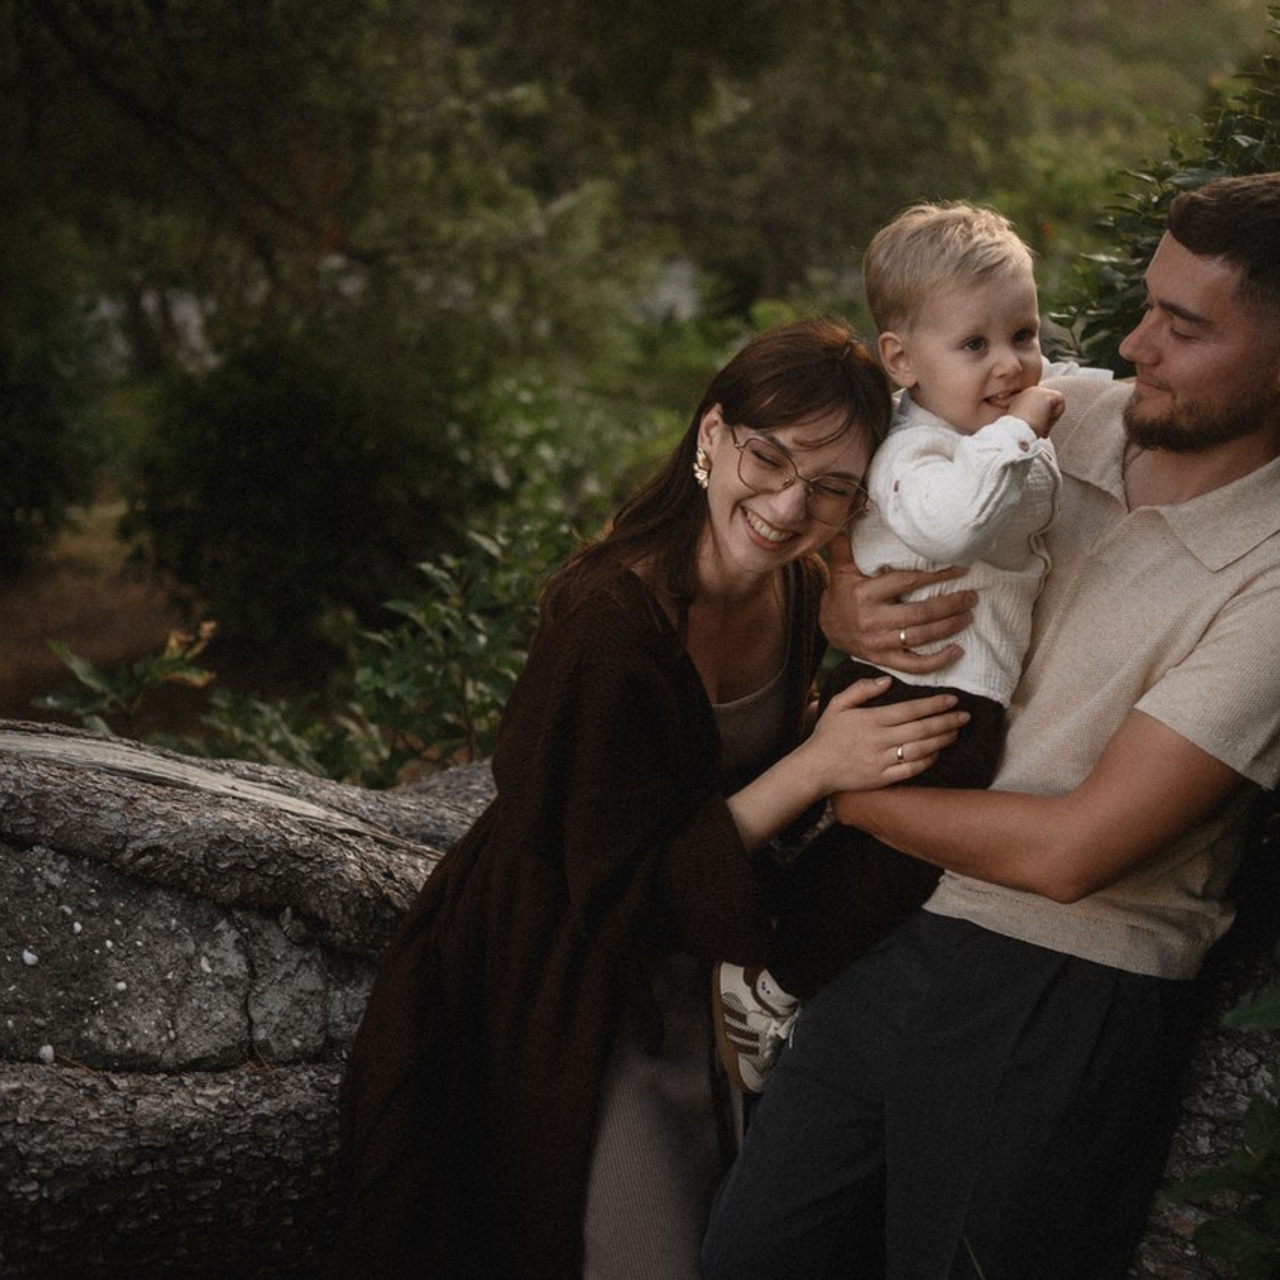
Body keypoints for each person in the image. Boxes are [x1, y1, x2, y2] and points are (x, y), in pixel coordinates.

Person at [702, 170, 1280, 1280]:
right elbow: (868, 474)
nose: (1132, 339)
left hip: (1055, 992)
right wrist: (837, 580)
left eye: (1180, 324)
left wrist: (839, 783)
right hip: (878, 928)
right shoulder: (1063, 411)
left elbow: (1073, 853)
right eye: (1147, 303)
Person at [332, 319, 971, 1280]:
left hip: (702, 950)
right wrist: (816, 764)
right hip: (568, 960)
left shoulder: (793, 592)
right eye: (769, 456)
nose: (790, 504)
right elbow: (618, 881)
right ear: (711, 436)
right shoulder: (609, 622)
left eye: (832, 488)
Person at [716, 202, 1095, 1090]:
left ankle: (776, 943)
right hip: (924, 688)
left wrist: (1022, 412)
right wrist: (1021, 426)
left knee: (886, 855)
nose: (1010, 363)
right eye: (975, 346)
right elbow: (959, 524)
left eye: (1024, 333)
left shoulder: (977, 427)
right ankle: (771, 981)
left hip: (945, 687)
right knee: (891, 868)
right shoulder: (914, 451)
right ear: (901, 360)